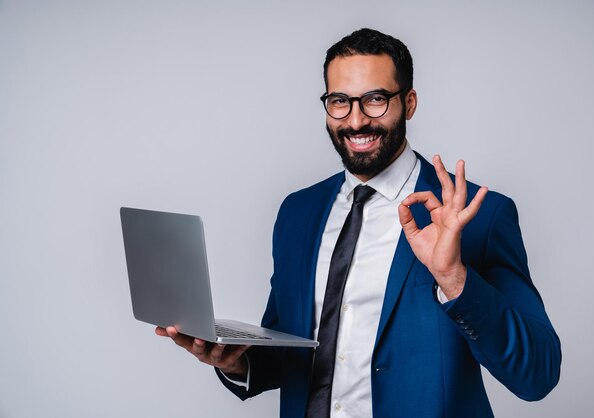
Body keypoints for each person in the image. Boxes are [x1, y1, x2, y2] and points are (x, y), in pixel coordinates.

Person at [156, 28, 561, 418]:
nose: (355, 121)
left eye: (375, 99)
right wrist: (233, 361)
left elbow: (538, 374)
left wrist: (453, 278)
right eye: (339, 101)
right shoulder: (297, 213)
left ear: (410, 102)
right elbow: (291, 351)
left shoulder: (477, 215)